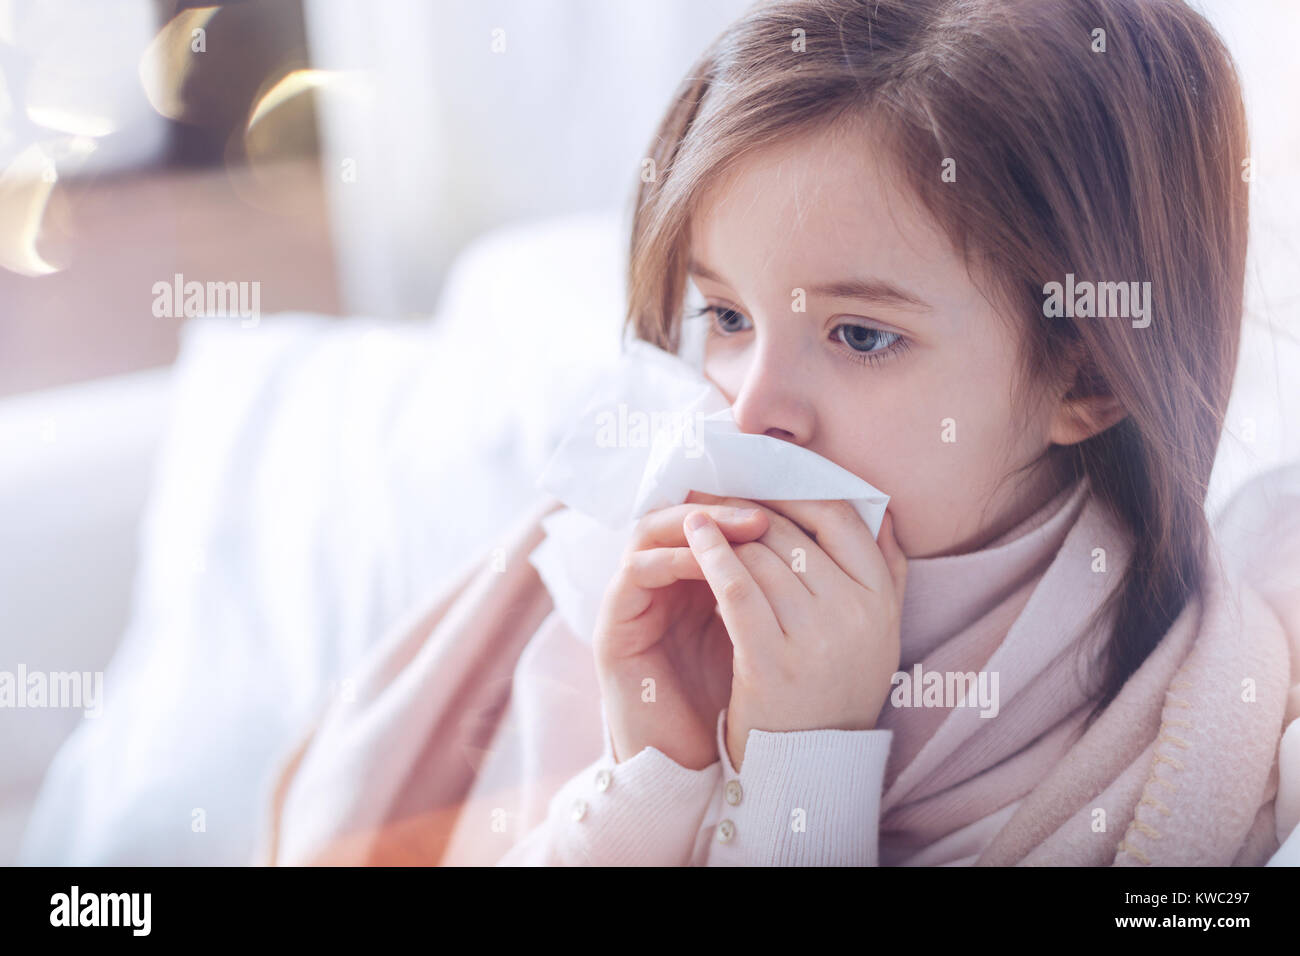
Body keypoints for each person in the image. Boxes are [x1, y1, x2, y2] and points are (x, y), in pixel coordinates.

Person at [257, 0, 1299, 866]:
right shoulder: (626, 609)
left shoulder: (1202, 724)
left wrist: (805, 765)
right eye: (725, 317)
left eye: (858, 334)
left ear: (1086, 372)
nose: (751, 412)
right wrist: (656, 769)